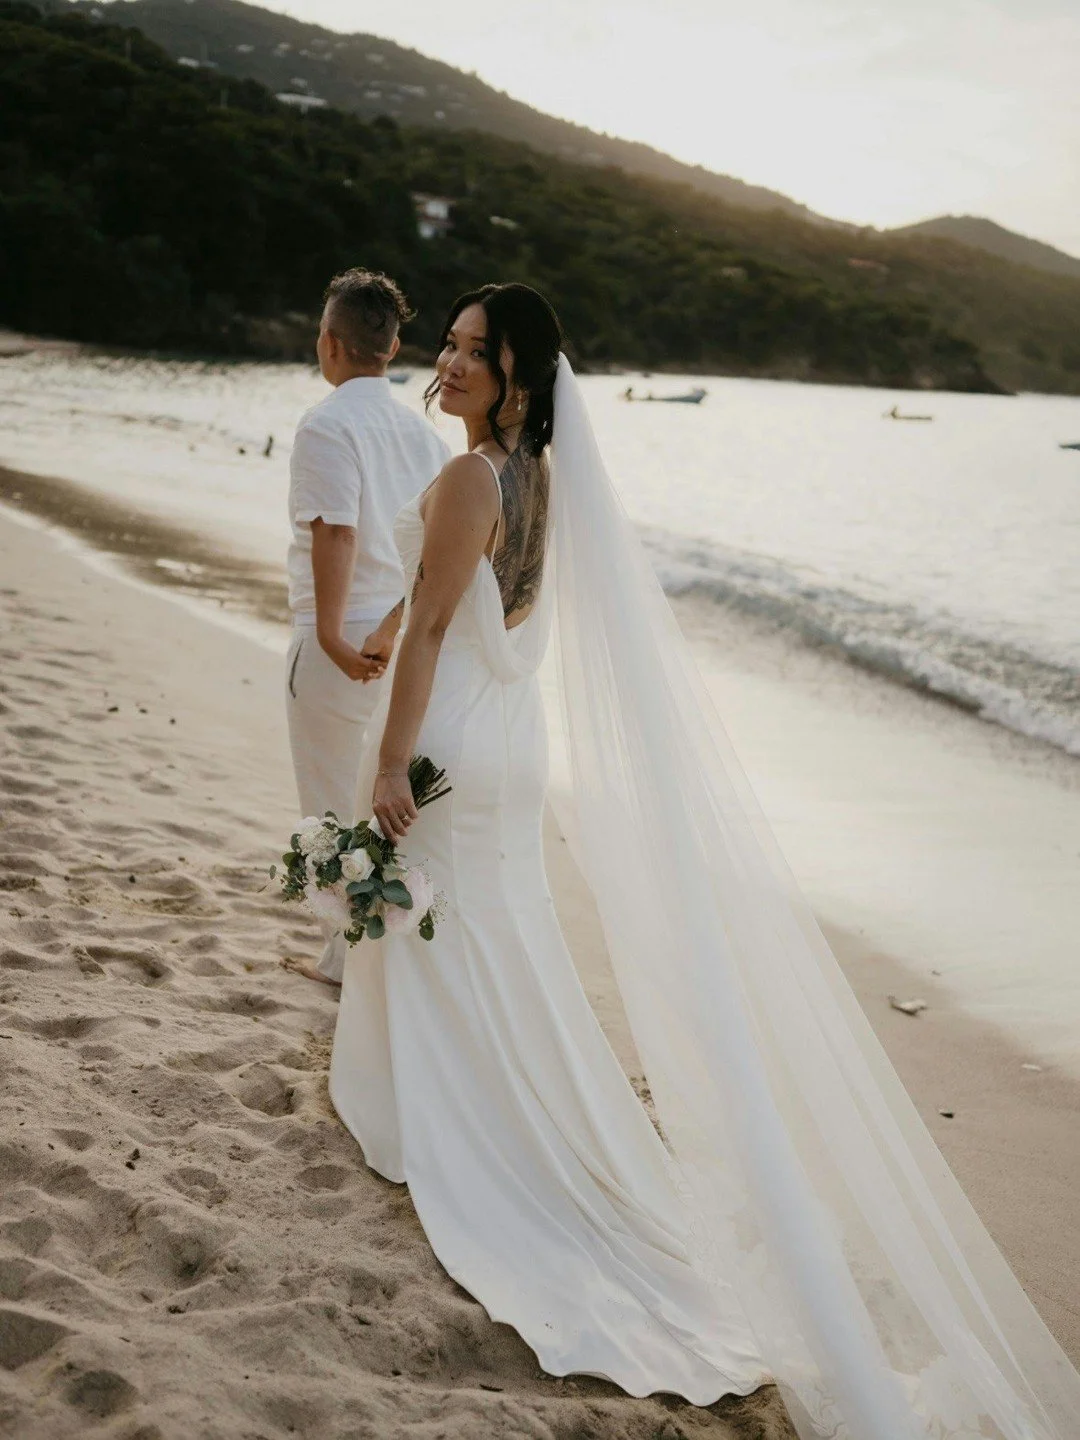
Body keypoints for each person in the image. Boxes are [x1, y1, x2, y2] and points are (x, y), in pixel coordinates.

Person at [329, 284, 1080, 1437]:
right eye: (453, 342)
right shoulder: (543, 479)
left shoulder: (474, 476)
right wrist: (387, 631)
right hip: (512, 743)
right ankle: (500, 1112)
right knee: (498, 938)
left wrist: (389, 762)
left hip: (457, 739)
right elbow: (472, 604)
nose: (454, 360)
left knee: (452, 929)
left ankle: (451, 1128)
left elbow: (433, 625)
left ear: (523, 374)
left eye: (479, 350)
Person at [285, 269, 450, 984]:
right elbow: (433, 554)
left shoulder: (326, 424)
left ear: (330, 343)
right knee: (376, 798)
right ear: (392, 345)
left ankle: (343, 957)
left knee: (327, 800)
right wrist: (394, 623)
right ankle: (371, 957)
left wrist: (330, 637)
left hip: (339, 638)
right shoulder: (426, 435)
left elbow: (337, 536)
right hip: (401, 639)